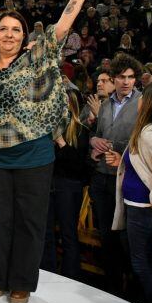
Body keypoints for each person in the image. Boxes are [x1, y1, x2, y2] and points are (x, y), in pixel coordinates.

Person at [0, 0, 106, 303]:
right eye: (3, 28)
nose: (9, 33)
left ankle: (21, 282)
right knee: (0, 222)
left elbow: (63, 24)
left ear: (24, 36)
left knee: (31, 223)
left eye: (16, 29)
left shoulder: (37, 56)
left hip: (35, 156)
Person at [89, 52, 144, 294]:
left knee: (125, 239)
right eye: (121, 77)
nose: (126, 82)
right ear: (114, 78)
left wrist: (122, 157)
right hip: (101, 177)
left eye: (131, 77)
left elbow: (147, 145)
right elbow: (98, 134)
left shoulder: (143, 104)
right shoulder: (106, 105)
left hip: (126, 181)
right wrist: (93, 143)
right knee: (106, 237)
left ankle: (131, 291)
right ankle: (112, 290)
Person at [107, 82, 152, 303]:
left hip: (144, 208)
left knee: (141, 263)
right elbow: (144, 166)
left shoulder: (150, 133)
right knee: (140, 260)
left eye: (141, 95)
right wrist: (122, 161)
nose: (136, 98)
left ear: (147, 103)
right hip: (135, 205)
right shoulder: (145, 129)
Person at [41, 89, 90, 279]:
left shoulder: (81, 130)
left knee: (68, 234)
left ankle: (71, 278)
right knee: (46, 234)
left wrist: (61, 142)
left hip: (69, 187)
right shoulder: (46, 129)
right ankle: (47, 274)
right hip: (47, 184)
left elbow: (79, 167)